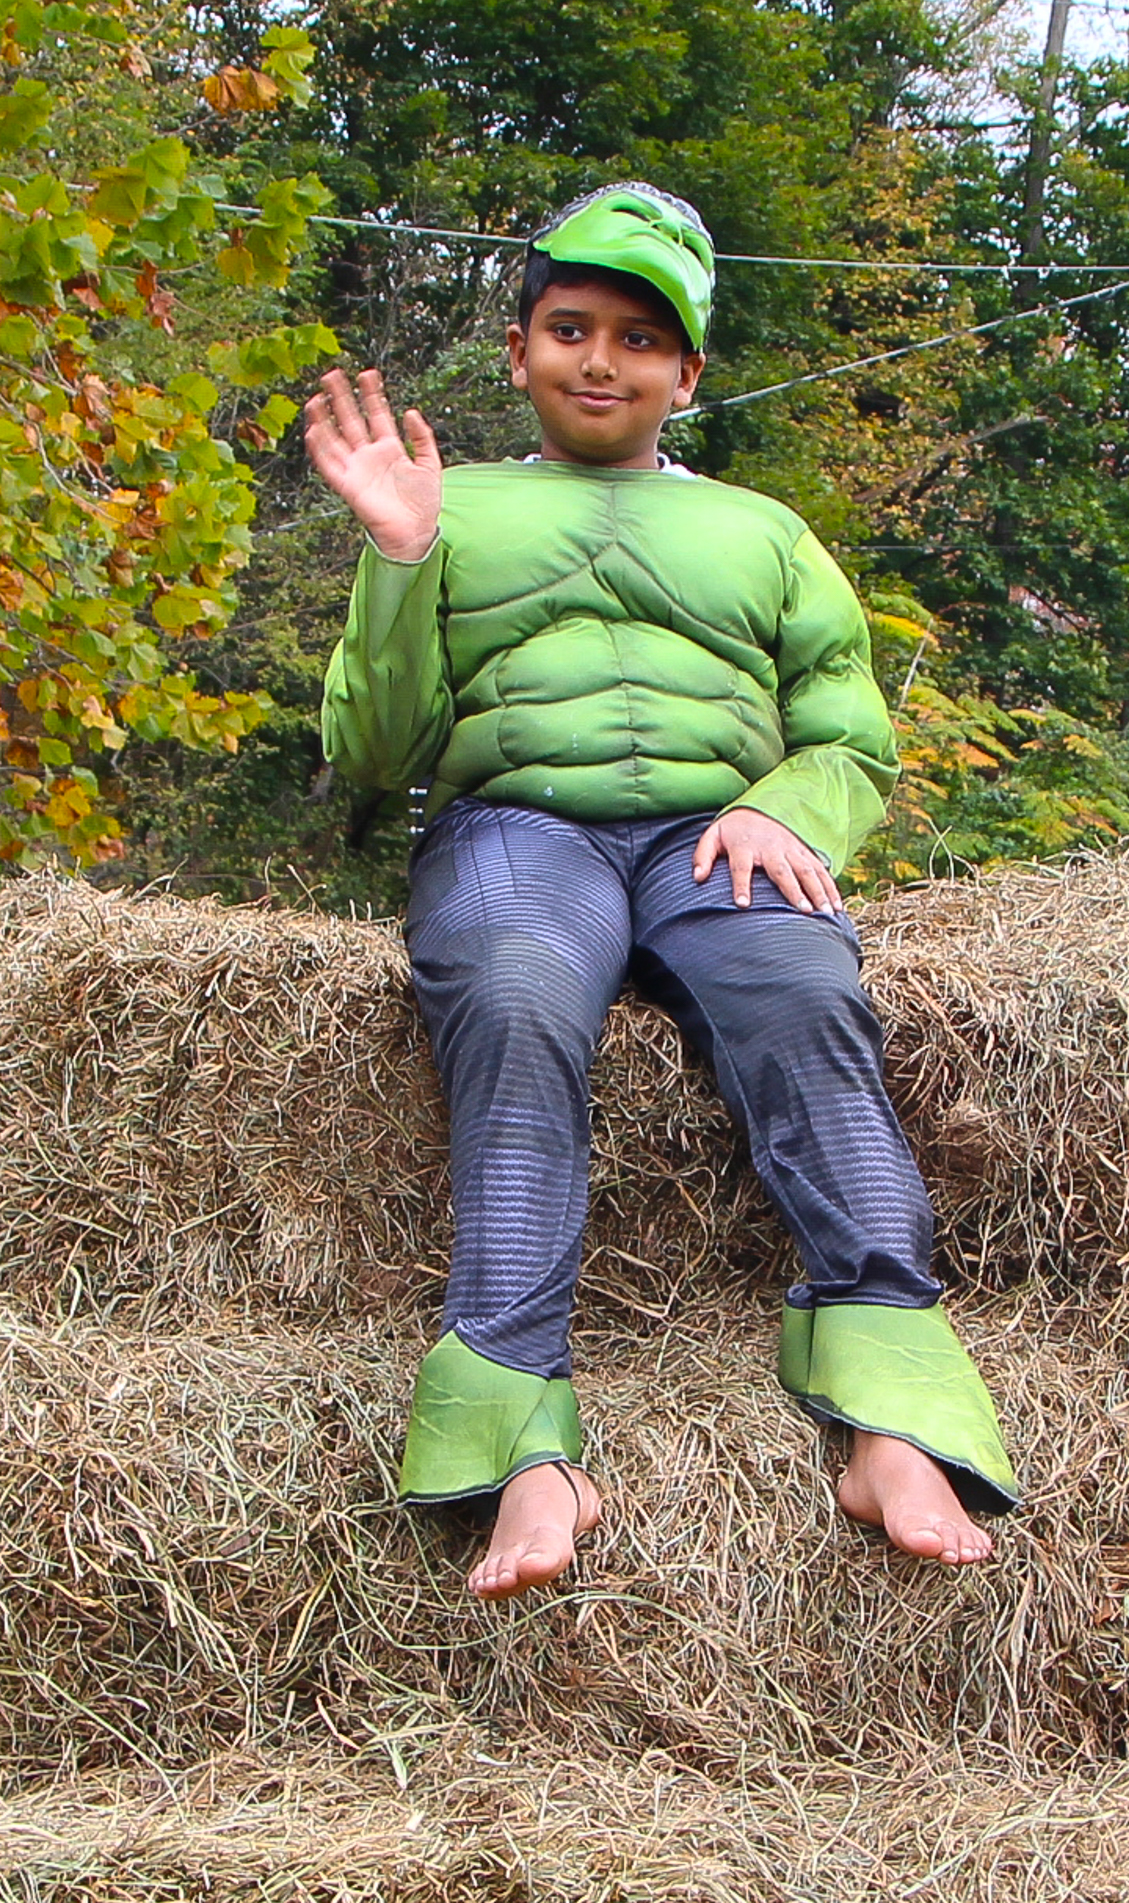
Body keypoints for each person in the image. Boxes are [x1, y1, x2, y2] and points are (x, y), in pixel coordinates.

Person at [309, 183, 1018, 1601]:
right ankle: (523, 1435)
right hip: (517, 829)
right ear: (518, 351)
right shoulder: (447, 507)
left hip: (719, 838)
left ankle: (888, 1408)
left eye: (638, 339)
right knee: (513, 997)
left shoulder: (767, 531)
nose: (599, 360)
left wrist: (781, 809)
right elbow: (373, 751)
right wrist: (396, 556)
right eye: (570, 328)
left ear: (686, 375)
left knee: (803, 990)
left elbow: (849, 731)